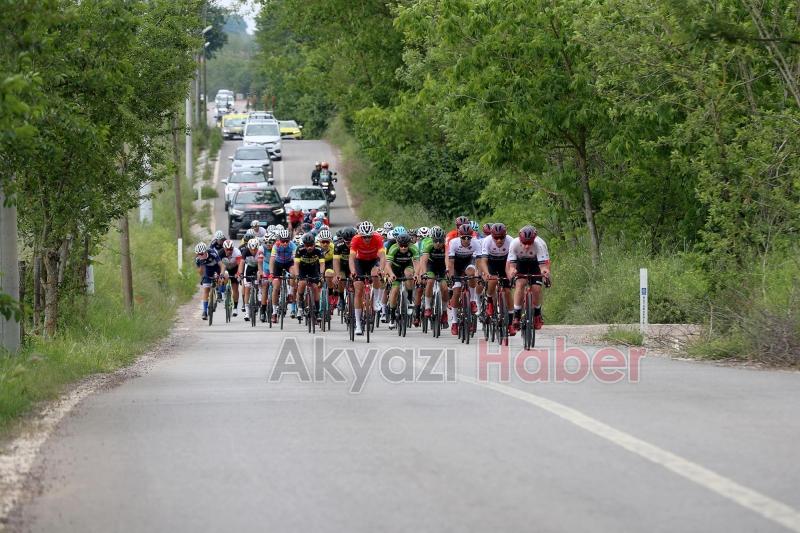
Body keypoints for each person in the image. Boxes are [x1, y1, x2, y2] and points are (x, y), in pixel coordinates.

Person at [507, 225, 551, 335]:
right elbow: (512, 265)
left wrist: (545, 273)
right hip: (520, 262)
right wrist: (512, 271)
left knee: (536, 288)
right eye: (524, 243)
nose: (526, 246)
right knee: (520, 284)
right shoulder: (514, 243)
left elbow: (543, 267)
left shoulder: (539, 244)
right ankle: (516, 316)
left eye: (529, 243)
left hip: (536, 263)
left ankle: (537, 314)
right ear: (520, 239)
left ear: (534, 240)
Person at [349, 221, 387, 336]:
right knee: (358, 290)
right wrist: (353, 271)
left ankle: (376, 301)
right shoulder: (355, 239)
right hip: (359, 262)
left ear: (372, 234)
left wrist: (381, 269)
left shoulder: (378, 237)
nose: (367, 239)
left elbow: (382, 256)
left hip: (373, 261)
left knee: (376, 274)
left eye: (369, 237)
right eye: (364, 237)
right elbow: (351, 258)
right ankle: (358, 325)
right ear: (361, 235)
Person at [447, 223, 484, 335]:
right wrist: (451, 277)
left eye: (469, 237)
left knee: (472, 274)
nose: (467, 240)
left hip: (469, 262)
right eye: (464, 237)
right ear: (459, 236)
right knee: (457, 291)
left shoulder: (476, 243)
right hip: (456, 265)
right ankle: (454, 322)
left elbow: (478, 261)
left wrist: (479, 274)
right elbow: (451, 262)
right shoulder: (453, 243)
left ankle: (472, 300)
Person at [479, 223, 513, 328]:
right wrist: (487, 274)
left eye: (501, 237)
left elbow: (513, 262)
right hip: (491, 263)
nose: (499, 240)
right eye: (496, 238)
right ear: (492, 236)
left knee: (507, 291)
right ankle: (489, 301)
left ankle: (511, 323)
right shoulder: (487, 241)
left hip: (505, 263)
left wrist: (512, 275)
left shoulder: (511, 241)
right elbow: (483, 261)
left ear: (505, 235)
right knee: (492, 281)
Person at [384, 233, 420, 329]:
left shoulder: (413, 248)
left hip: (407, 266)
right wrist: (391, 275)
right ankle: (392, 317)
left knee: (409, 275)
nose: (403, 248)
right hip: (395, 268)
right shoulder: (393, 248)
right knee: (394, 291)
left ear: (409, 244)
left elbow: (416, 263)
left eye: (405, 246)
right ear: (397, 243)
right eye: (401, 246)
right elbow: (387, 265)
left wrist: (416, 274)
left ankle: (409, 297)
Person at [293, 233, 326, 319]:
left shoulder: (319, 249)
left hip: (313, 269)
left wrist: (322, 275)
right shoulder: (299, 249)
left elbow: (322, 264)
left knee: (315, 287)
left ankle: (317, 310)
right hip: (302, 269)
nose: (309, 247)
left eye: (311, 245)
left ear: (314, 244)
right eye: (307, 245)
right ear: (304, 245)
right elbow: (296, 264)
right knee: (302, 284)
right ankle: (300, 307)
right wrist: (297, 275)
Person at [269, 229, 297, 323]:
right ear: (279, 240)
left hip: (289, 262)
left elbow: (295, 261)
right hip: (278, 264)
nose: (285, 243)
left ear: (289, 240)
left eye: (287, 241)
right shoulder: (276, 246)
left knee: (293, 272)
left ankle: (290, 293)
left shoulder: (293, 245)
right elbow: (272, 260)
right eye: (282, 241)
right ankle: (274, 312)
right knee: (276, 287)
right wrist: (271, 273)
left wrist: (296, 274)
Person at [194, 242, 225, 320]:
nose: (200, 255)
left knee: (219, 278)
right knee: (206, 289)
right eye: (198, 254)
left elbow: (222, 265)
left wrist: (221, 274)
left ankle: (219, 291)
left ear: (205, 251)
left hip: (216, 268)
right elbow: (201, 272)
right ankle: (205, 311)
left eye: (202, 254)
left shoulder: (212, 253)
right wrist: (201, 265)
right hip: (207, 270)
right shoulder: (198, 259)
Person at [238, 238, 264, 322]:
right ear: (248, 248)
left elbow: (260, 264)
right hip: (249, 267)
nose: (253, 251)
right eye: (251, 249)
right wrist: (241, 274)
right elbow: (242, 263)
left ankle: (259, 292)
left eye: (255, 249)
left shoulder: (260, 250)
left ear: (257, 247)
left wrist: (261, 274)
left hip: (258, 267)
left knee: (259, 276)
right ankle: (247, 311)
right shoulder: (245, 251)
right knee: (247, 289)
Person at [219, 239, 242, 317]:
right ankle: (223, 292)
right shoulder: (221, 253)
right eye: (227, 249)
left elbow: (240, 265)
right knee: (222, 277)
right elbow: (221, 265)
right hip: (225, 267)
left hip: (235, 268)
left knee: (235, 288)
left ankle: (235, 307)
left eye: (231, 249)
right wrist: (221, 275)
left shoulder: (237, 252)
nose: (229, 251)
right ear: (224, 248)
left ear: (233, 248)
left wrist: (238, 273)